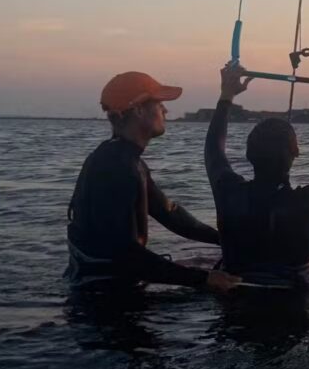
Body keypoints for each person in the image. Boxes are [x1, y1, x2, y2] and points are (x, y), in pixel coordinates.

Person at [66, 71, 239, 292]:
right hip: (102, 301)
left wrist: (225, 240)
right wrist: (202, 279)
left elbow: (172, 215)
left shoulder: (123, 159)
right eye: (159, 104)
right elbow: (124, 253)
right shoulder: (114, 168)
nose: (165, 110)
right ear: (139, 110)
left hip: (106, 286)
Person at [205, 62, 309, 287]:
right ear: (296, 153)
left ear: (248, 154)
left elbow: (213, 150)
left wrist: (226, 96)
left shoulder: (227, 191)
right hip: (294, 309)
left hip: (235, 308)